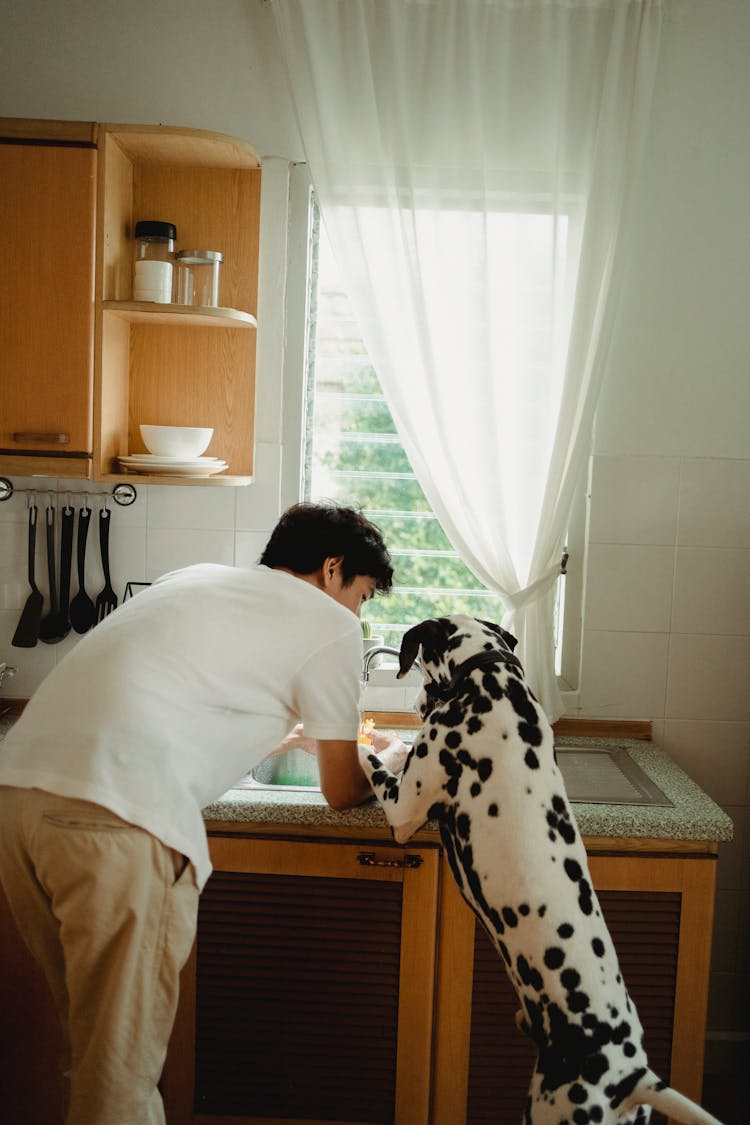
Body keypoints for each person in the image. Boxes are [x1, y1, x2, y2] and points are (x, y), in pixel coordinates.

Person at [0, 502, 409, 1125]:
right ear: (333, 569)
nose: (358, 610)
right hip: (117, 820)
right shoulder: (331, 623)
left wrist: (295, 735)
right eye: (363, 593)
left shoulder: (191, 577)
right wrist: (399, 756)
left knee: (77, 1043)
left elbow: (188, 702)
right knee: (120, 1070)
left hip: (19, 797)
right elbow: (341, 790)